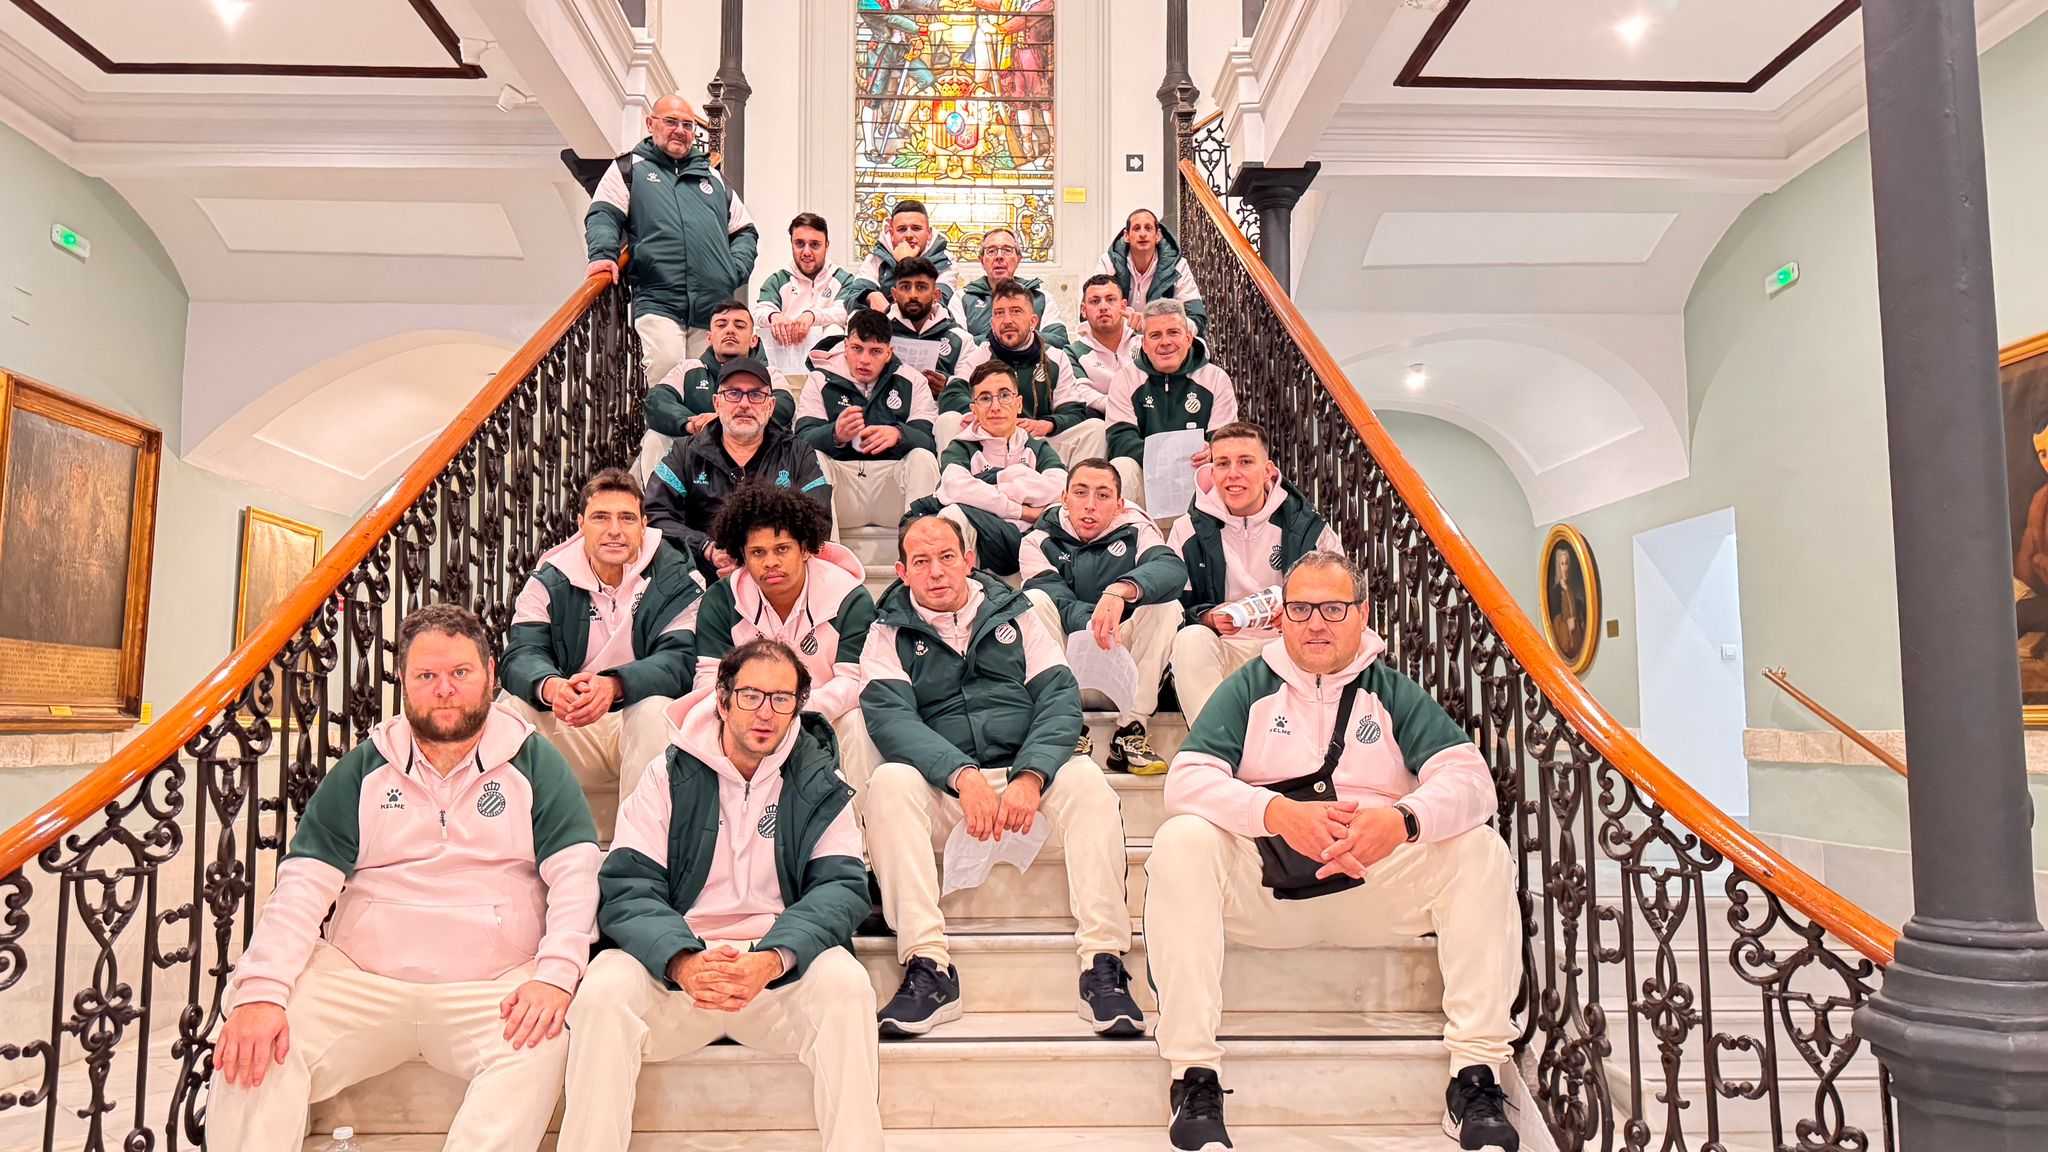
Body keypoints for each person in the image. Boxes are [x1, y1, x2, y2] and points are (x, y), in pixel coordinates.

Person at [1146, 552, 1521, 1152]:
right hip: (1267, 890)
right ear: (1282, 617)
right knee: (1181, 840)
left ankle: (1475, 1077)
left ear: (1361, 614)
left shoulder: (1392, 691)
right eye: (1300, 609)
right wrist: (1276, 813)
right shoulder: (1249, 688)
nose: (1316, 623)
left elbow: (1472, 782)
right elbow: (1186, 781)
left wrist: (1402, 821)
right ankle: (1193, 1075)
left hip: (1376, 886)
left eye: (1333, 608)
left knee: (1479, 848)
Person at [208, 604, 599, 1152]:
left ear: (490, 674)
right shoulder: (363, 768)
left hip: (491, 989)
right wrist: (261, 991)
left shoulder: (535, 763)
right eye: (426, 675)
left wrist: (556, 974)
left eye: (460, 672)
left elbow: (577, 876)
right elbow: (302, 887)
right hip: (360, 981)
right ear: (403, 681)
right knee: (253, 1041)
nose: (445, 689)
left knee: (542, 1044)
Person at [560, 639, 881, 1152]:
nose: (765, 712)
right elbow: (627, 889)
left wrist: (771, 959)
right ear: (723, 699)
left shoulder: (820, 779)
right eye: (751, 696)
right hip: (680, 976)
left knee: (847, 984)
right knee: (603, 989)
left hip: (775, 976)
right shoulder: (668, 774)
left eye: (782, 699)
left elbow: (841, 889)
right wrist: (683, 960)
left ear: (797, 707)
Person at [859, 516, 1143, 1038]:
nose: (936, 571)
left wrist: (1031, 775)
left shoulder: (1019, 613)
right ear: (902, 572)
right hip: (947, 791)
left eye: (947, 557)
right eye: (921, 561)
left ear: (969, 560)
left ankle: (1103, 962)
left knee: (1087, 781)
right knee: (889, 784)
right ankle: (928, 964)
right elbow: (891, 721)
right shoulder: (885, 633)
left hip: (1023, 780)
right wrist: (961, 776)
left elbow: (1059, 700)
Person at [502, 469, 701, 836]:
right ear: (581, 525)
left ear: (644, 525)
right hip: (574, 715)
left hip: (635, 715)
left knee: (654, 710)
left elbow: (680, 661)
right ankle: (520, 844)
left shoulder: (677, 578)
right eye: (600, 518)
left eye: (626, 518)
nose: (614, 530)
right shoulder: (548, 580)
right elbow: (521, 655)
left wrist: (614, 685)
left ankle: (637, 848)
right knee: (511, 710)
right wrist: (553, 688)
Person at [691, 483, 882, 795]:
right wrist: (753, 714)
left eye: (781, 549)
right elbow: (709, 678)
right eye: (758, 552)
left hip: (825, 715)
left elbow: (853, 681)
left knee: (858, 722)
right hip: (748, 718)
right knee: (704, 718)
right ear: (742, 555)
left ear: (805, 549)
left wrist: (789, 711)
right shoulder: (722, 600)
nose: (770, 562)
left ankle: (854, 818)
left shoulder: (849, 597)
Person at [1168, 421, 1343, 725]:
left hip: (1289, 645)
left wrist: (1298, 613)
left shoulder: (1308, 527)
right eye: (1222, 463)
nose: (1233, 474)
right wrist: (1207, 617)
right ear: (1212, 471)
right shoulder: (1187, 529)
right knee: (1189, 640)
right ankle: (1213, 742)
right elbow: (1173, 607)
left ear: (1268, 471)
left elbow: (1341, 596)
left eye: (1246, 462)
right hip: (1225, 646)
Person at [1019, 460, 1186, 775]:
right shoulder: (1037, 540)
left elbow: (1171, 569)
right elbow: (1053, 596)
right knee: (1034, 602)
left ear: (1120, 504)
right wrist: (1097, 622)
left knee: (1168, 605)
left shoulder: (1137, 530)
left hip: (1127, 666)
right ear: (1064, 498)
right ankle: (1067, 727)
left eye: (1103, 495)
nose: (1090, 505)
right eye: (1080, 493)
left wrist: (1120, 591)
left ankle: (1130, 730)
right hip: (1071, 661)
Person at [585, 95, 759, 391]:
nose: (680, 130)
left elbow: (745, 230)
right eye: (671, 122)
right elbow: (604, 213)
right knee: (667, 379)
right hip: (659, 300)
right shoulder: (629, 169)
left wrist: (732, 270)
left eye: (687, 125)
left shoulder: (712, 177)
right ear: (650, 123)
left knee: (709, 388)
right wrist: (602, 254)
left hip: (712, 306)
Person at [645, 357, 833, 583]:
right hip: (701, 582)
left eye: (756, 395)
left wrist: (755, 558)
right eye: (733, 393)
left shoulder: (797, 453)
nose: (744, 404)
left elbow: (818, 520)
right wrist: (706, 547)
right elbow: (655, 515)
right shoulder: (685, 453)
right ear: (716, 403)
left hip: (777, 580)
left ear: (771, 406)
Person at [903, 360, 1066, 576]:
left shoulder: (1037, 447)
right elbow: (955, 488)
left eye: (1004, 395)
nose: (995, 407)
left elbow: (1061, 489)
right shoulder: (961, 447)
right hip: (982, 538)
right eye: (985, 398)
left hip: (1030, 537)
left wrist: (995, 483)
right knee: (952, 513)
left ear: (1018, 404)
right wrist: (1023, 510)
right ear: (974, 409)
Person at [796, 308, 941, 531]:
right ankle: (825, 552)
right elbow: (801, 443)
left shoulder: (912, 380)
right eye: (857, 349)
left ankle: (922, 547)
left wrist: (899, 434)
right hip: (842, 488)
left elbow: (927, 442)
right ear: (846, 346)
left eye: (875, 351)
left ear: (889, 353)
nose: (864, 360)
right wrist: (835, 434)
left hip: (892, 487)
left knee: (923, 458)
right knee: (814, 458)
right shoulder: (819, 379)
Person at [942, 279, 1107, 462]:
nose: (1007, 320)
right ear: (992, 323)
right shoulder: (981, 355)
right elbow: (952, 395)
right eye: (999, 313)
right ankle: (958, 478)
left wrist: (1048, 424)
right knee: (948, 421)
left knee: (1095, 429)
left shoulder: (1055, 358)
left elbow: (1073, 412)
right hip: (990, 442)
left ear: (1033, 321)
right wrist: (983, 416)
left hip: (1040, 442)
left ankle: (1074, 481)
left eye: (1016, 311)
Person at [1105, 299, 1238, 509]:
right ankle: (1126, 528)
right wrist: (1172, 455)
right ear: (1144, 344)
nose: (1165, 342)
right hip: (1147, 480)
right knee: (1122, 466)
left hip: (1198, 482)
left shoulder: (1215, 378)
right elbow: (1120, 442)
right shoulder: (1126, 379)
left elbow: (1226, 440)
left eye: (1173, 332)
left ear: (1188, 338)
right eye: (1155, 335)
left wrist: (1212, 450)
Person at [640, 301, 794, 482]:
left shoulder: (770, 374)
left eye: (739, 325)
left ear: (754, 340)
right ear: (709, 337)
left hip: (755, 456)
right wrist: (690, 423)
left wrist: (721, 422)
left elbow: (784, 407)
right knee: (655, 437)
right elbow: (656, 401)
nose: (730, 330)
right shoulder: (689, 368)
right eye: (721, 325)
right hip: (696, 457)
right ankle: (658, 499)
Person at [755, 212, 856, 369]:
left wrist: (812, 315)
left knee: (834, 328)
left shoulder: (844, 280)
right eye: (800, 244)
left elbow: (844, 312)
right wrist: (774, 316)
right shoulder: (778, 280)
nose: (807, 252)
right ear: (791, 244)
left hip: (830, 369)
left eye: (815, 245)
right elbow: (759, 311)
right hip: (785, 363)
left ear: (827, 245)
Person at [951, 227, 1069, 347]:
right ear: (982, 260)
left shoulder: (1040, 297)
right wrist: (1003, 338)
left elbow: (1059, 341)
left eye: (1007, 250)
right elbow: (956, 345)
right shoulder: (962, 298)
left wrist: (1019, 337)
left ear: (1018, 259)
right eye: (991, 251)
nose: (999, 257)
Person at [1097, 208, 1205, 336]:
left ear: (1158, 235)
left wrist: (1157, 323)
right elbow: (1093, 309)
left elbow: (1196, 318)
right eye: (1137, 228)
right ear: (1126, 236)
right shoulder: (1109, 262)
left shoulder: (1177, 265)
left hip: (1162, 338)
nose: (1143, 234)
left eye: (1148, 228)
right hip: (1119, 336)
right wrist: (1125, 322)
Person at [844, 198, 958, 312]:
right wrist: (869, 295)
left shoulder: (944, 261)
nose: (909, 235)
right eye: (902, 229)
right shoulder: (878, 257)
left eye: (916, 228)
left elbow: (940, 304)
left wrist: (906, 262)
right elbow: (851, 297)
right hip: (881, 321)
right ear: (891, 234)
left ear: (929, 233)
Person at [1071, 273, 1139, 386]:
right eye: (1095, 301)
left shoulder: (1143, 341)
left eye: (1110, 299)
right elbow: (1083, 393)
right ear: (1083, 310)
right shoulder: (1073, 354)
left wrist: (1152, 331)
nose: (1103, 307)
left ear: (1123, 306)